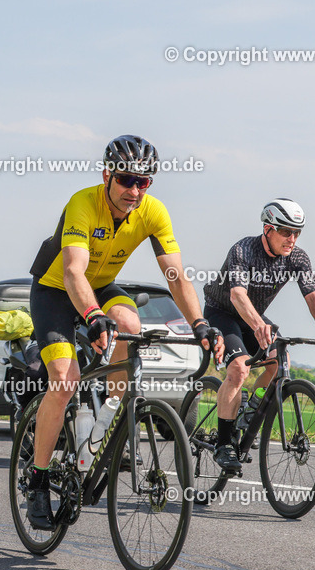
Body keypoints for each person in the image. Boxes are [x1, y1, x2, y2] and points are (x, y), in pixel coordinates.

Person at [26, 135, 224, 530]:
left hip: (101, 287)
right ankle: (38, 479)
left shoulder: (153, 211)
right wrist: (92, 315)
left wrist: (200, 323)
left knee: (132, 325)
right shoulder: (83, 203)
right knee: (64, 381)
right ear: (107, 176)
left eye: (143, 182)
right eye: (126, 180)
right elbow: (73, 271)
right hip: (56, 290)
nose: (134, 190)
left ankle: (113, 420)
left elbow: (176, 275)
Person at [203, 198, 315, 472]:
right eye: (286, 232)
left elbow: (312, 295)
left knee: (280, 361)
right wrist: (258, 325)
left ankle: (251, 408)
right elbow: (237, 295)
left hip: (253, 316)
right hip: (223, 312)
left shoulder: (297, 257)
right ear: (268, 229)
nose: (292, 239)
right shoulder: (243, 250)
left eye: (297, 233)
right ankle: (223, 444)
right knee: (239, 369)